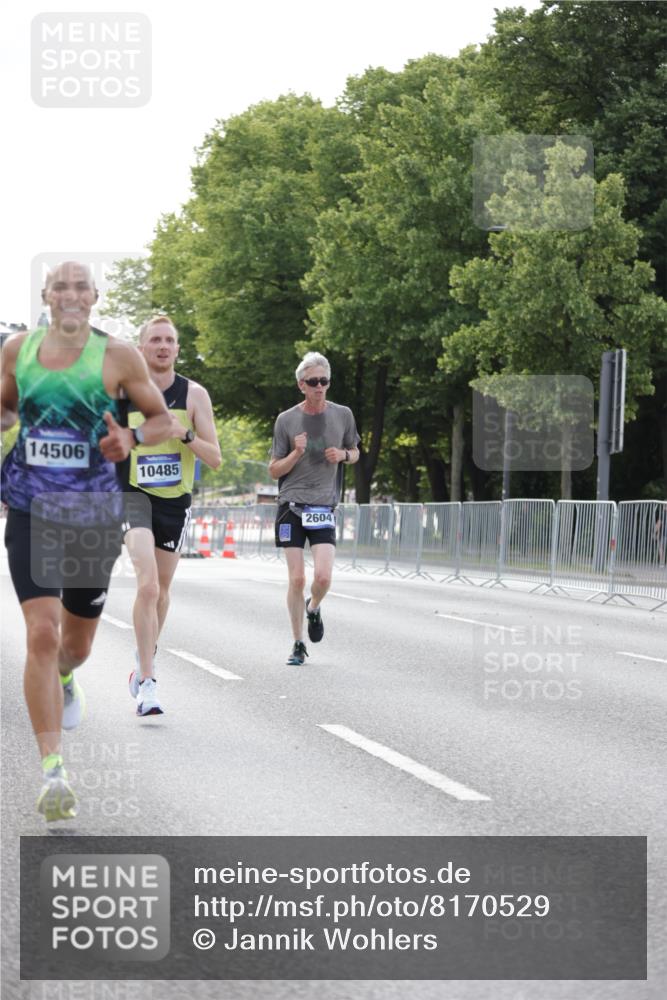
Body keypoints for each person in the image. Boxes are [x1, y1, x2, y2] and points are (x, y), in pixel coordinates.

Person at [0, 261, 172, 822]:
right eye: (60, 286)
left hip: (96, 515)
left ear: (95, 298)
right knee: (42, 635)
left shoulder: (119, 356)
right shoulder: (16, 352)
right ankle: (53, 771)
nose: (71, 295)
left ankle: (69, 677)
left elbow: (162, 420)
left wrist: (132, 436)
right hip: (32, 508)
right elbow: (4, 407)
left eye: (81, 287)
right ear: (46, 295)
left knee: (74, 648)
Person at [119, 315, 221, 715]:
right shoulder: (124, 392)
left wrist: (185, 434)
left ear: (177, 349)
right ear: (141, 347)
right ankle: (148, 683)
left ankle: (146, 655)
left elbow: (214, 458)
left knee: (160, 591)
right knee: (146, 586)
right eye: (155, 340)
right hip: (133, 496)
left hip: (174, 502)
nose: (162, 346)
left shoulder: (194, 395)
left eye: (169, 340)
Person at [269, 351, 359, 664]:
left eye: (324, 381)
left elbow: (356, 451)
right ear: (301, 385)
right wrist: (296, 453)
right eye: (313, 382)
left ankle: (314, 608)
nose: (320, 386)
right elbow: (274, 470)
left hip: (323, 504)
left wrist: (344, 456)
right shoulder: (286, 420)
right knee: (296, 579)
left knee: (322, 577)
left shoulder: (343, 415)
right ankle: (297, 644)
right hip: (290, 505)